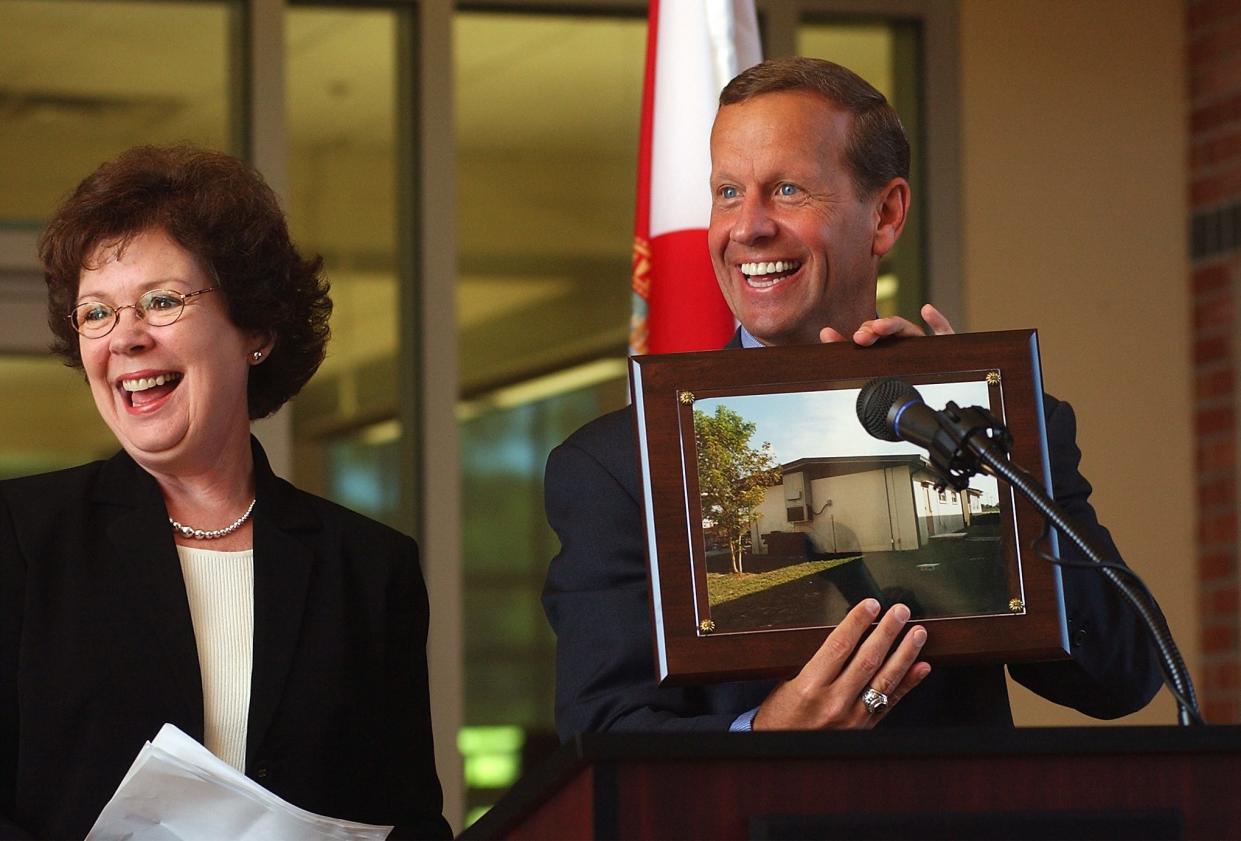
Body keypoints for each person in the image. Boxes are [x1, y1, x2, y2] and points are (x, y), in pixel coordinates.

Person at [543, 57, 1162, 737]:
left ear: (886, 215)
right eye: (726, 191)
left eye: (785, 189)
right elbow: (599, 732)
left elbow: (1122, 677)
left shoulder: (1003, 425)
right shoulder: (615, 466)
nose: (745, 227)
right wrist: (763, 740)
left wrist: (983, 454)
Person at [0, 145, 451, 839]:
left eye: (161, 301)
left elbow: (407, 821)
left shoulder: (367, 567)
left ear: (257, 331)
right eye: (96, 313)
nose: (125, 338)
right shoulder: (21, 535)